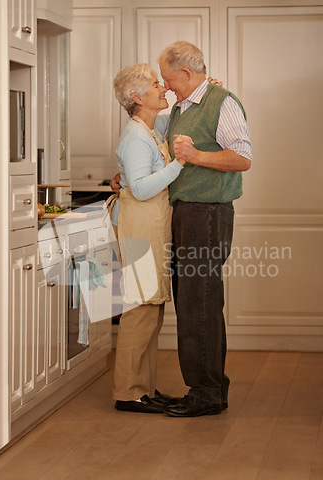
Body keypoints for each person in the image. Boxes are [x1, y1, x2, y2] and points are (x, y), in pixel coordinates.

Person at [111, 42, 252, 417]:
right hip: (179, 217)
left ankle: (205, 392)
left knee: (198, 304)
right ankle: (200, 389)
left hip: (206, 214)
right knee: (189, 305)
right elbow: (142, 149)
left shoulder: (218, 102)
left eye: (169, 79)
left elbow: (243, 157)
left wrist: (195, 156)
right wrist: (125, 174)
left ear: (186, 74)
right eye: (160, 83)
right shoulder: (177, 111)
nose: (167, 87)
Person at [109, 63, 186, 413]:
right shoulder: (138, 137)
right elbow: (139, 189)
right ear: (138, 98)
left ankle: (145, 389)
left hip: (149, 227)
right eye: (156, 84)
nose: (163, 88)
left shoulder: (150, 128)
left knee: (150, 310)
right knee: (140, 310)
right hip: (140, 226)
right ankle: (128, 393)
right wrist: (180, 164)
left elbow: (179, 115)